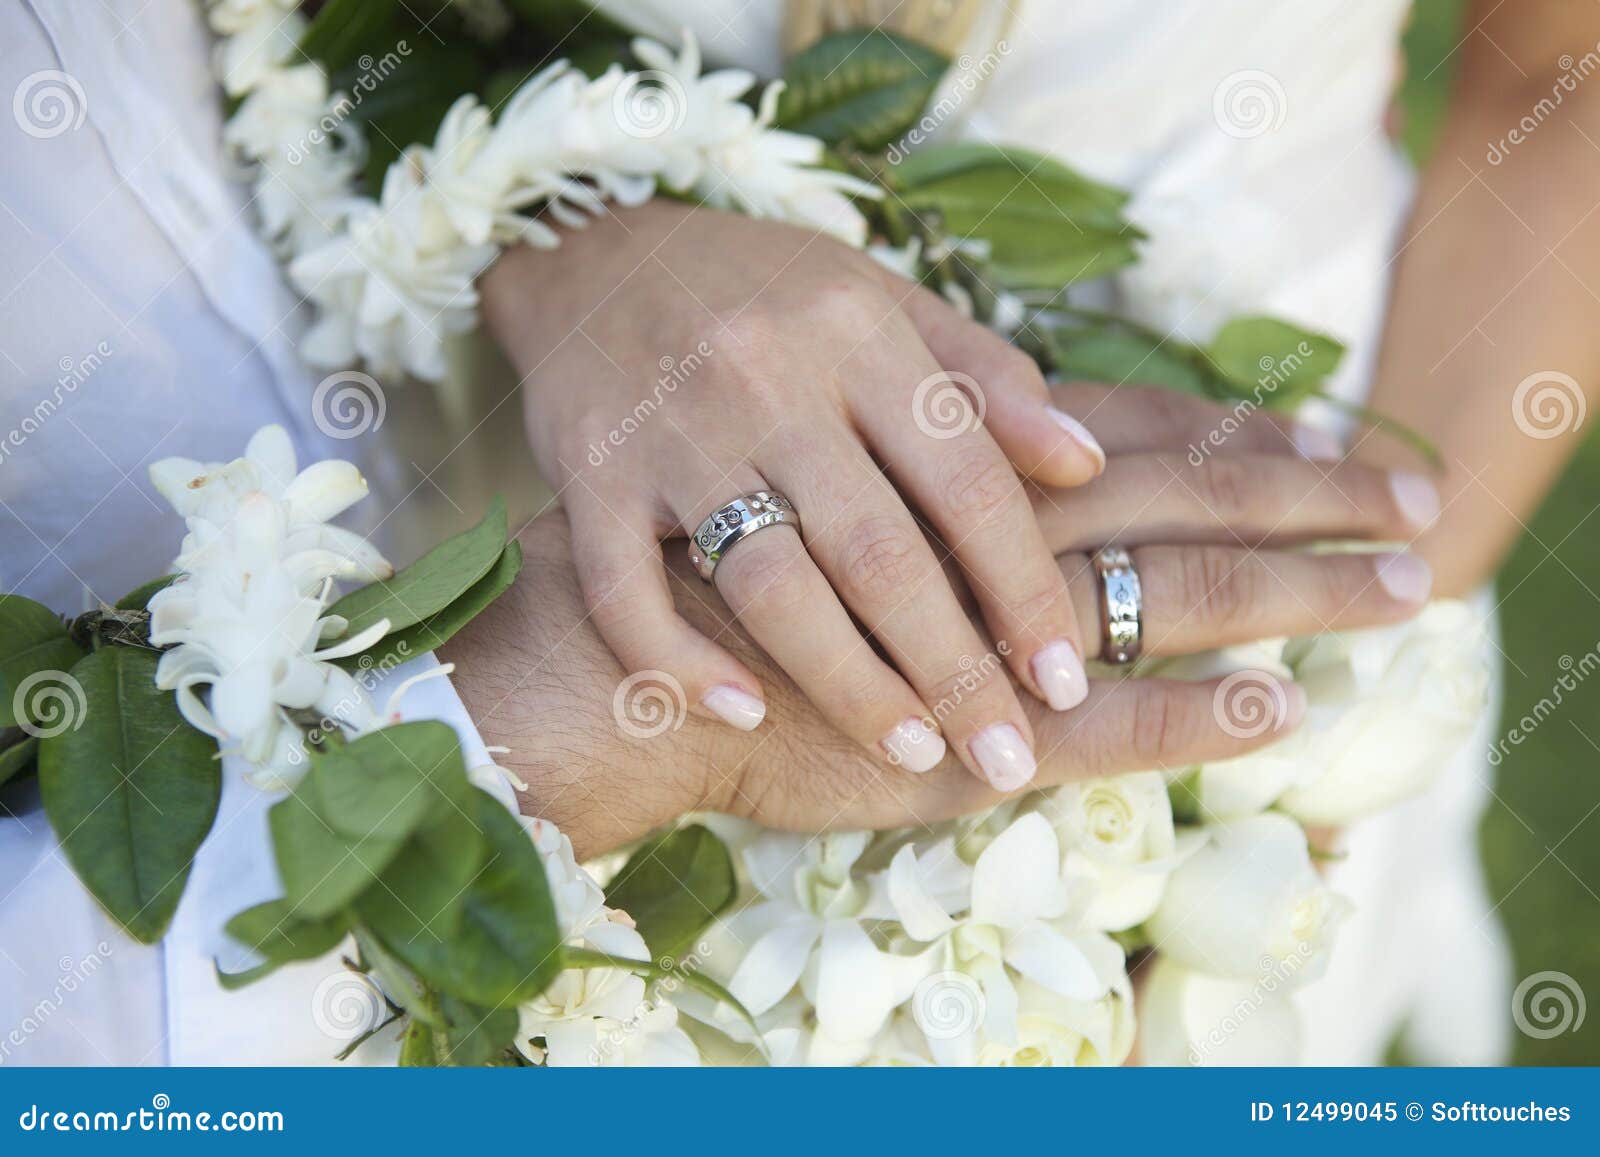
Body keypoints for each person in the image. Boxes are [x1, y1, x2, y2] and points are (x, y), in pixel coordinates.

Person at [2, 0, 1587, 1064]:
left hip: (1233, 756)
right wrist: (553, 232)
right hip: (351, 791)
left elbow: (1559, 69)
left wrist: (1342, 640)